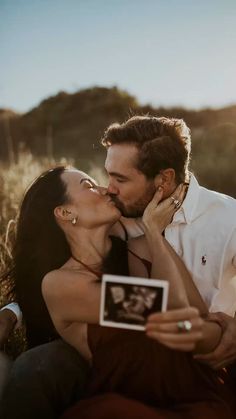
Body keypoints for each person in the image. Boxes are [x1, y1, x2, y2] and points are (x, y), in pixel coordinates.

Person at [3, 165, 234, 418]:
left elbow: (194, 315)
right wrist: (155, 233)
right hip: (140, 400)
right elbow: (164, 311)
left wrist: (213, 331)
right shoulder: (59, 284)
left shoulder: (140, 247)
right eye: (89, 186)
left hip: (196, 383)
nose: (106, 189)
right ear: (66, 212)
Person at [101, 115, 236, 373]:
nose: (109, 189)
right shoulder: (115, 216)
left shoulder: (229, 219)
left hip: (219, 362)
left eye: (121, 179)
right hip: (150, 361)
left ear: (164, 179)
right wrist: (11, 311)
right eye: (109, 175)